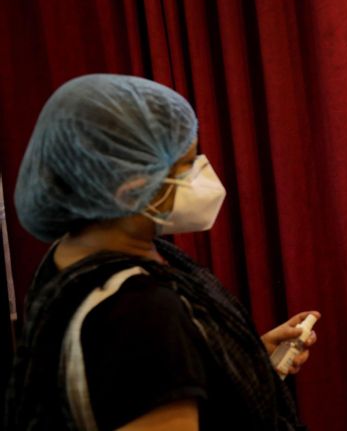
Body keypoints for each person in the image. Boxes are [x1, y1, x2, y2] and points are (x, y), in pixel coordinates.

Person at [6, 74, 318, 430]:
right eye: (186, 165)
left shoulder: (69, 257)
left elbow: (135, 384)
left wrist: (247, 364)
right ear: (129, 190)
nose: (202, 174)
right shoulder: (139, 311)